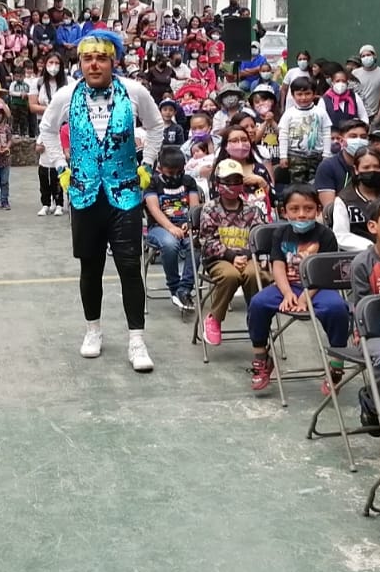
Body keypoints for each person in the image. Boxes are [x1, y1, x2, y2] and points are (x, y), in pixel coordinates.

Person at [37, 30, 163, 372]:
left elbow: (156, 127)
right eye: (88, 58)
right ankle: (93, 329)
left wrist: (146, 166)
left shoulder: (135, 92)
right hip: (84, 192)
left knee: (128, 268)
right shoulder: (67, 94)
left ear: (113, 61)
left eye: (101, 58)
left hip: (125, 193)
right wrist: (62, 166)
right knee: (90, 267)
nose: (94, 64)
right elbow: (47, 130)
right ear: (80, 62)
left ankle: (136, 339)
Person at [246, 184, 346, 391]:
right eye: (295, 209)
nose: (302, 214)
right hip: (287, 286)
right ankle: (261, 357)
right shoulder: (280, 233)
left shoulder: (326, 235)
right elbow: (278, 266)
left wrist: (305, 298)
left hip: (319, 288)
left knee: (337, 308)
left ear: (318, 210)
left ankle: (336, 366)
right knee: (257, 303)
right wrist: (288, 293)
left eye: (308, 209)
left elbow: (327, 272)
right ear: (284, 211)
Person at [196, 159, 268, 345]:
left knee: (255, 274)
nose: (232, 186)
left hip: (247, 256)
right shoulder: (210, 209)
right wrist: (231, 256)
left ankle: (256, 317)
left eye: (237, 181)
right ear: (217, 184)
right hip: (219, 258)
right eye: (227, 181)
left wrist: (244, 255)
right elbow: (207, 241)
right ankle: (215, 318)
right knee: (230, 275)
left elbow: (260, 237)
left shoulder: (252, 210)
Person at [143, 146, 199, 310]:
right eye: (170, 172)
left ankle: (185, 288)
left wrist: (190, 223)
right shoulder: (153, 182)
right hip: (159, 227)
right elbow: (154, 209)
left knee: (196, 244)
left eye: (178, 172)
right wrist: (170, 227)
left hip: (185, 225)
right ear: (160, 168)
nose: (175, 176)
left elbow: (195, 207)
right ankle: (174, 288)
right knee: (170, 244)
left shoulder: (188, 181)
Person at [276, 77, 330, 186]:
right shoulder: (289, 114)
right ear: (293, 95)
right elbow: (283, 135)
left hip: (316, 156)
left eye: (307, 93)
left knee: (316, 183)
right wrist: (283, 156)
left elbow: (326, 133)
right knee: (297, 184)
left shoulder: (320, 112)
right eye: (299, 94)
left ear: (314, 94)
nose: (303, 98)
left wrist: (326, 154)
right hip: (295, 156)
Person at [332, 148, 380, 251]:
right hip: (357, 255)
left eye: (376, 167)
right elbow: (341, 236)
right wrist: (369, 247)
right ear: (356, 170)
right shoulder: (344, 199)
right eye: (366, 167)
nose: (372, 170)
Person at [313, 120, 368, 207]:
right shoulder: (327, 166)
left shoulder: (372, 165)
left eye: (363, 137)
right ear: (341, 141)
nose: (359, 140)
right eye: (353, 136)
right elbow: (329, 208)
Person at [351, 44, 380, 116]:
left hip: (374, 114)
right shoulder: (355, 73)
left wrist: (379, 115)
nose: (366, 57)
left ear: (374, 56)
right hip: (359, 114)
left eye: (368, 55)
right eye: (363, 56)